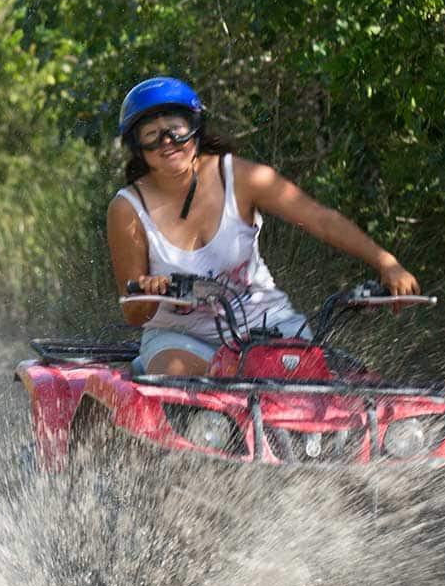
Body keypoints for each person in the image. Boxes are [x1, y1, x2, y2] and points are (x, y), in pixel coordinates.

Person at [106, 76, 419, 375]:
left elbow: (321, 220)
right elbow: (134, 313)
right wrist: (150, 292)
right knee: (174, 375)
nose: (168, 141)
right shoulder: (128, 208)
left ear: (196, 129)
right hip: (180, 340)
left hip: (266, 326)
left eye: (177, 128)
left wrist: (386, 263)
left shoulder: (242, 177)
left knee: (320, 383)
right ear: (137, 146)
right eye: (151, 134)